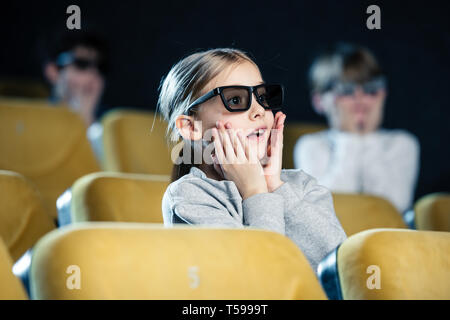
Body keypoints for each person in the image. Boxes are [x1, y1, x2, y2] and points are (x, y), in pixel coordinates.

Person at [158, 48, 346, 272]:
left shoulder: (302, 186)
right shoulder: (190, 196)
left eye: (262, 97)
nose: (259, 110)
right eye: (235, 99)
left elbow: (342, 271)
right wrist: (255, 192)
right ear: (191, 127)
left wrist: (274, 186)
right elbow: (262, 278)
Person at [293, 43, 420, 214]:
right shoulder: (310, 145)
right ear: (319, 100)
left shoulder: (402, 143)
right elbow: (323, 210)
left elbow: (395, 207)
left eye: (370, 89)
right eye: (346, 90)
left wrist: (368, 135)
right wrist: (349, 136)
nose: (359, 98)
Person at [42, 30, 109, 162]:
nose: (92, 75)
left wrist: (87, 120)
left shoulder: (110, 130)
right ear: (53, 71)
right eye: (82, 64)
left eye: (100, 67)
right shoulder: (29, 124)